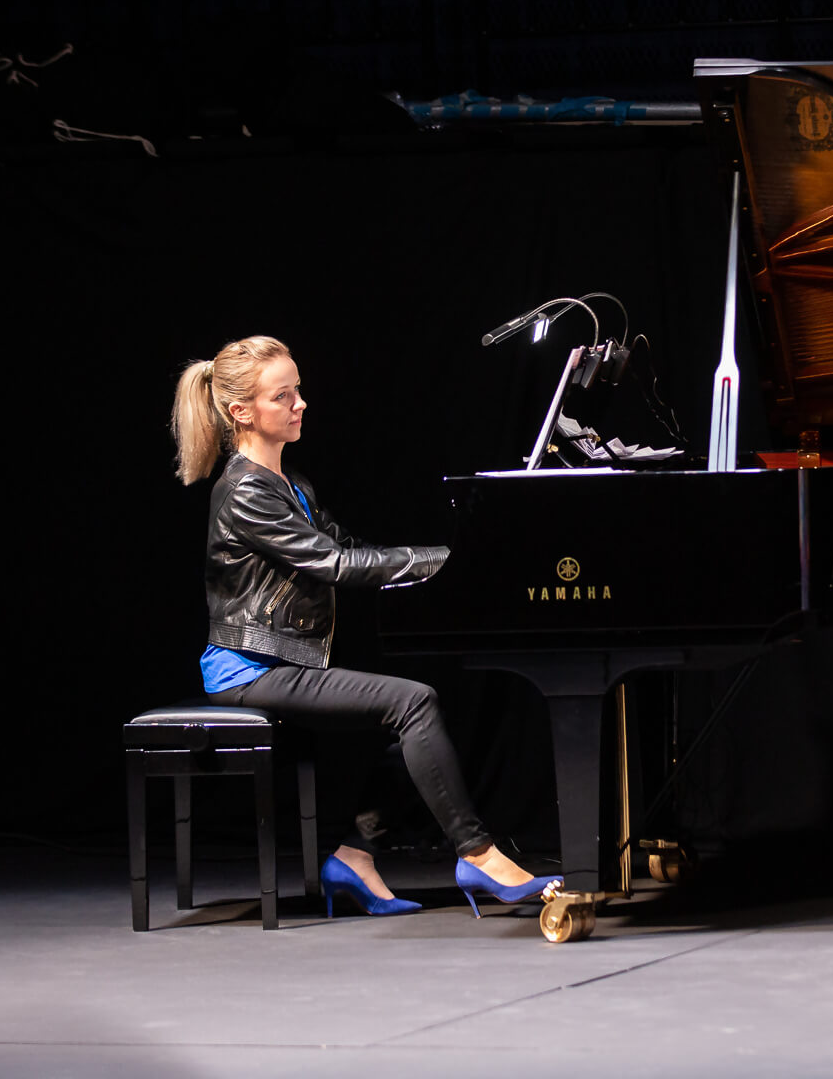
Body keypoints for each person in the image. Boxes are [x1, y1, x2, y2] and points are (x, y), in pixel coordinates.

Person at [170, 334, 560, 918]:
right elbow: (336, 565)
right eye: (283, 395)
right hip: (249, 670)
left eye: (298, 390)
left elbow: (353, 549)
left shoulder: (292, 486)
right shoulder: (245, 491)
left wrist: (448, 561)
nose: (300, 403)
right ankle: (479, 855)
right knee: (413, 703)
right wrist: (455, 561)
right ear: (241, 412)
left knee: (417, 712)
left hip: (284, 663)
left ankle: (354, 856)